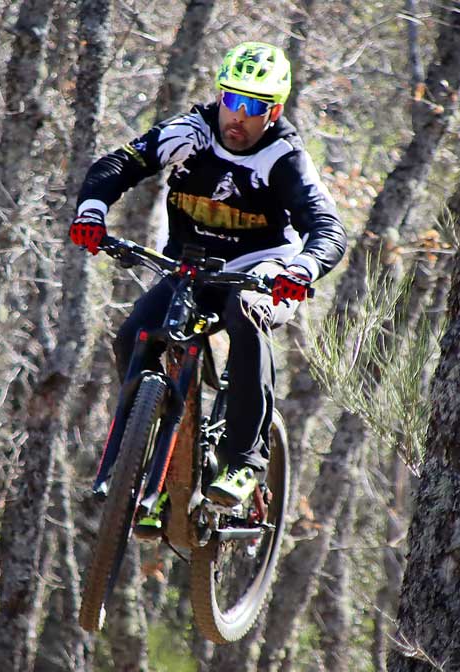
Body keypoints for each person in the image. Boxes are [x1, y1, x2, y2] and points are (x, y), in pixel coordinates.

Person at [69, 41, 346, 532]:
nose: (238, 116)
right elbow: (119, 164)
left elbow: (327, 227)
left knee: (245, 313)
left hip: (262, 273)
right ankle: (146, 469)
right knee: (134, 334)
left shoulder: (284, 157)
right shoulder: (191, 132)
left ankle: (244, 462)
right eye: (231, 100)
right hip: (192, 270)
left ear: (274, 111)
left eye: (254, 107)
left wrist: (303, 269)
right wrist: (92, 211)